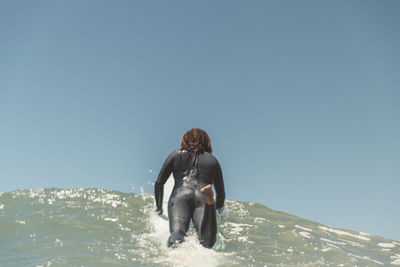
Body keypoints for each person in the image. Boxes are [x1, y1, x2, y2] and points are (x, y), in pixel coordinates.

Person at [154, 128, 225, 248]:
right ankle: (209, 200)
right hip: (202, 197)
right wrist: (218, 211)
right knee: (206, 241)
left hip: (180, 196)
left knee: (178, 231)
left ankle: (178, 254)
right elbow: (221, 193)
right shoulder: (213, 161)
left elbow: (159, 183)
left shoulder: (176, 154)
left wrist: (159, 207)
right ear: (206, 142)